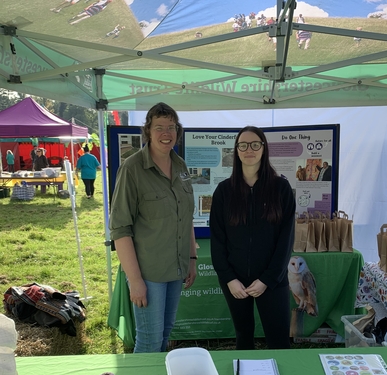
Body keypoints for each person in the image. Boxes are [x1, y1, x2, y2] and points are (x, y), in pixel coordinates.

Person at [109, 102, 197, 353]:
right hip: (149, 274)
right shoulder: (132, 169)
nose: (166, 133)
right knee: (148, 341)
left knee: (164, 336)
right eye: (159, 127)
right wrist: (135, 280)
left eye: (171, 127)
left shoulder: (180, 166)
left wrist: (191, 258)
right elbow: (120, 229)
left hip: (176, 269)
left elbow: (186, 216)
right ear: (147, 131)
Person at [209, 126, 296, 350]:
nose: (249, 149)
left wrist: (268, 279)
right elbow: (217, 240)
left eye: (255, 144)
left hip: (272, 280)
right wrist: (229, 278)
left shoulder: (281, 188)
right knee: (243, 338)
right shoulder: (223, 191)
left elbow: (286, 240)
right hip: (235, 281)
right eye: (243, 145)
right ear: (236, 151)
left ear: (264, 149)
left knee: (279, 340)